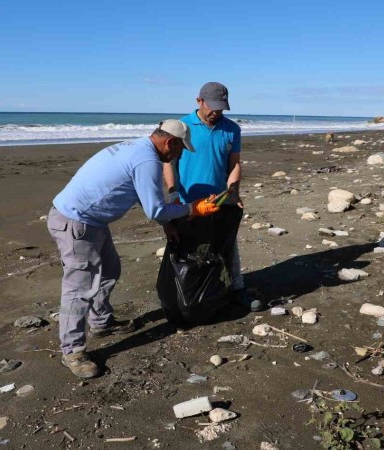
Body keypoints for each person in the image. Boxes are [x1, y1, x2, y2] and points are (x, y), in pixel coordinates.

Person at [48, 120, 220, 379]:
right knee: (79, 289)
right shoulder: (147, 160)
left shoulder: (137, 148)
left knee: (109, 271)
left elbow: (143, 195)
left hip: (91, 221)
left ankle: (101, 323)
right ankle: (72, 351)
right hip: (77, 223)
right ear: (169, 142)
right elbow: (154, 208)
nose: (179, 156)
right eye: (180, 150)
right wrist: (192, 208)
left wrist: (166, 225)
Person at [163, 82, 265, 312]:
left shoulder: (231, 129)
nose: (216, 112)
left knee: (227, 247)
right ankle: (184, 296)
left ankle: (237, 289)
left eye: (221, 108)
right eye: (213, 107)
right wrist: (173, 194)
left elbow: (234, 163)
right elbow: (169, 163)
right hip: (187, 203)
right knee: (184, 251)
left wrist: (233, 191)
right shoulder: (182, 126)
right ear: (199, 101)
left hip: (218, 201)